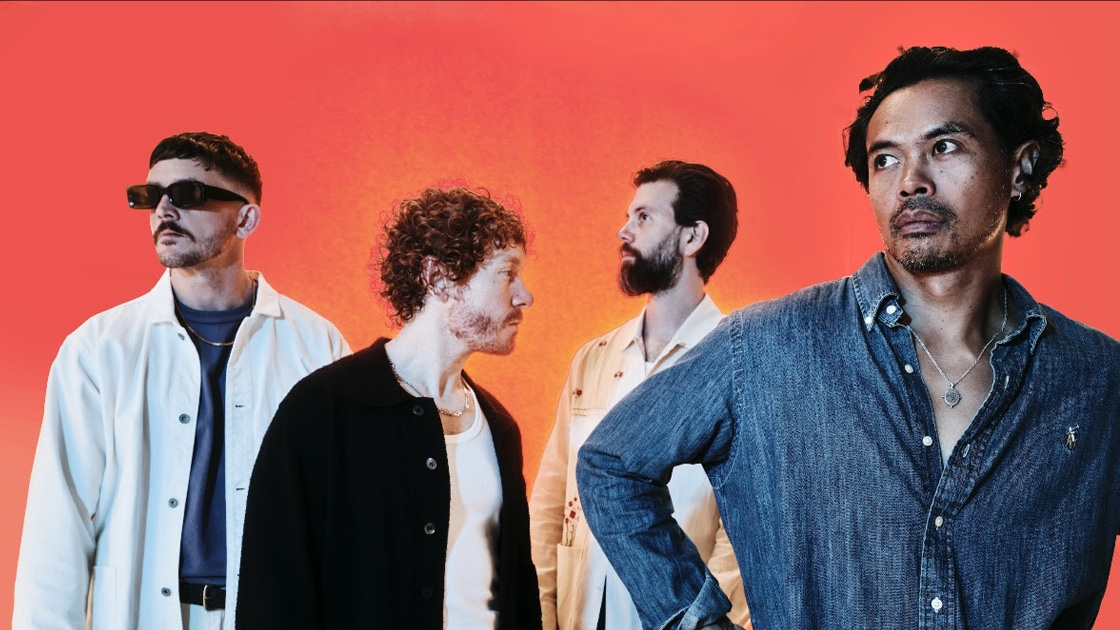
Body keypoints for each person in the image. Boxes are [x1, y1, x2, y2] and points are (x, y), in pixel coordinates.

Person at [576, 46, 1120, 630]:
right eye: (885, 160)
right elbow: (611, 463)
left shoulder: (1098, 378)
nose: (911, 182)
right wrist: (697, 621)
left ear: (1020, 167)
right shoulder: (762, 349)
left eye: (944, 147)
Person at [13, 131, 349, 629]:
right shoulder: (99, 349)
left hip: (275, 611)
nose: (164, 210)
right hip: (143, 612)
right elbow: (57, 523)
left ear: (247, 217)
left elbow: (345, 517)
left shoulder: (315, 347)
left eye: (188, 195)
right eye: (151, 197)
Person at [236, 186, 543, 629]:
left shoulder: (498, 427)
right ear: (437, 279)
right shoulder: (321, 411)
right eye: (506, 273)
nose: (525, 296)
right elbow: (273, 593)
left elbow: (518, 590)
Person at [531, 160, 749, 630]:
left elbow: (745, 534)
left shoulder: (739, 367)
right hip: (578, 616)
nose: (623, 230)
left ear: (693, 237)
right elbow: (550, 503)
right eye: (629, 215)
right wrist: (540, 614)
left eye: (644, 217)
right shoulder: (592, 360)